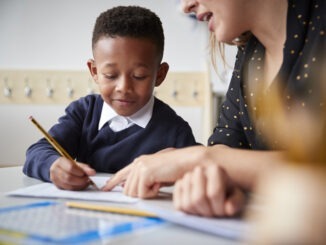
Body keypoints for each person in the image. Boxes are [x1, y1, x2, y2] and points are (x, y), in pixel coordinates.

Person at [103, 0, 325, 217]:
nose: (186, 6)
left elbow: (219, 159)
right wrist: (219, 181)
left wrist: (201, 160)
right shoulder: (249, 53)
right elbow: (227, 146)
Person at [23, 6, 197, 190]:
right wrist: (53, 166)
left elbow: (200, 169)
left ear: (160, 75)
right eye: (111, 75)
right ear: (95, 71)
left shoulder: (175, 131)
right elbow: (37, 153)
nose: (123, 88)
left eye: (138, 76)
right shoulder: (83, 113)